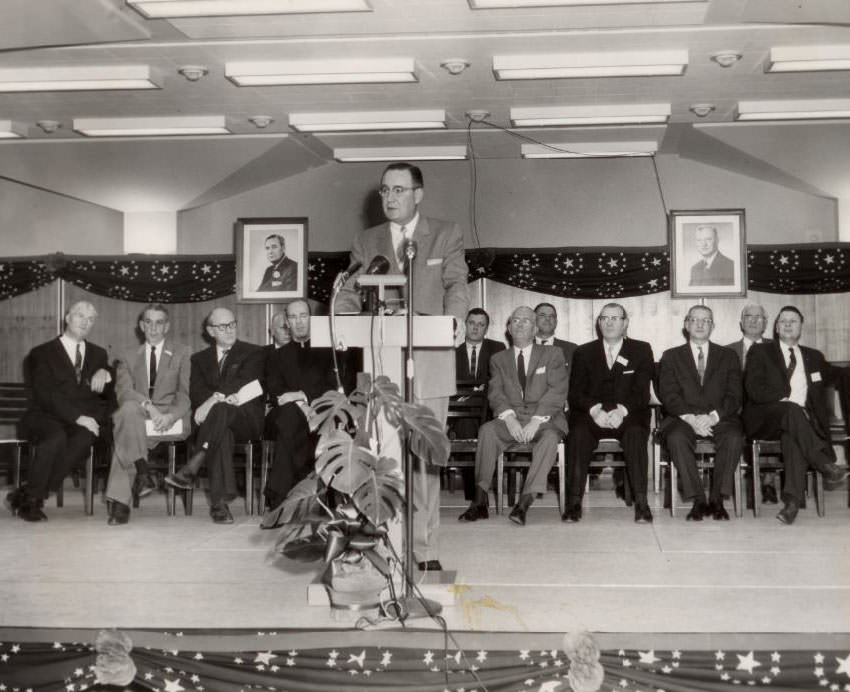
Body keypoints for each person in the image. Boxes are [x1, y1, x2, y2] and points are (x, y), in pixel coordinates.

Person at [334, 162, 469, 571]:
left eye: (398, 190)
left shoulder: (445, 233)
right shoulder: (366, 239)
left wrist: (457, 319)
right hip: (379, 361)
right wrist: (339, 316)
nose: (390, 198)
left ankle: (424, 550)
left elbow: (456, 284)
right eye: (384, 191)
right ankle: (378, 541)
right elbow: (352, 293)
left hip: (429, 359)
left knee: (424, 456)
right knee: (379, 454)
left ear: (418, 194)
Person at [458, 305, 568, 526]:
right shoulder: (498, 359)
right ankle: (479, 501)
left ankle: (524, 502)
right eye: (514, 321)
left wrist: (536, 421)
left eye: (525, 320)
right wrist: (508, 418)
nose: (519, 324)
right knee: (487, 431)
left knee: (549, 440)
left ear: (536, 327)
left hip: (545, 420)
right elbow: (496, 392)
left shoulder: (552, 354)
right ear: (508, 328)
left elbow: (557, 391)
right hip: (512, 419)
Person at [743, 306, 850, 525]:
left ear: (801, 327)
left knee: (792, 437)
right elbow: (753, 389)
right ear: (776, 327)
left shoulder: (814, 357)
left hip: (799, 424)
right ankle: (824, 463)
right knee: (792, 410)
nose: (788, 325)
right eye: (783, 321)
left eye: (793, 321)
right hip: (765, 418)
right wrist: (783, 398)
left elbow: (839, 375)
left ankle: (791, 504)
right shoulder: (760, 352)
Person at [10, 301, 113, 522]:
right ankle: (33, 501)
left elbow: (106, 393)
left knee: (84, 438)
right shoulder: (41, 353)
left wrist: (106, 373)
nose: (85, 322)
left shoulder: (99, 354)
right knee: (55, 437)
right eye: (80, 316)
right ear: (67, 318)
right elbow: (45, 394)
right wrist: (79, 417)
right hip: (43, 415)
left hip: (80, 420)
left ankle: (30, 494)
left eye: (90, 319)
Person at [164, 308, 265, 524]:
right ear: (210, 331)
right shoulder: (198, 359)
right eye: (222, 326)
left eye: (232, 324)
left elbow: (241, 383)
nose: (229, 330)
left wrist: (211, 401)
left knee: (219, 410)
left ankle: (195, 462)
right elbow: (196, 392)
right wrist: (212, 402)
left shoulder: (254, 352)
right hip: (217, 424)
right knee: (222, 432)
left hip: (245, 419)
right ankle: (220, 505)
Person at [564, 303, 655, 523]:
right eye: (604, 318)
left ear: (625, 323)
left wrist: (622, 411)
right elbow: (575, 393)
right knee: (578, 433)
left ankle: (641, 502)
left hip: (629, 413)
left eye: (615, 318)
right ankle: (574, 502)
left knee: (635, 433)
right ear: (598, 323)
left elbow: (642, 392)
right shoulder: (583, 352)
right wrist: (595, 410)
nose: (610, 322)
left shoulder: (641, 349)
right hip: (591, 413)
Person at [263, 299, 355, 511]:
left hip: (323, 411)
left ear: (311, 317)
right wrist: (302, 405)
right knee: (288, 416)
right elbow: (276, 390)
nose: (299, 322)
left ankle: (280, 497)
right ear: (287, 321)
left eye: (303, 315)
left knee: (294, 422)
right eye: (293, 317)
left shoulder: (330, 351)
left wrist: (301, 395)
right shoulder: (277, 356)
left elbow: (337, 385)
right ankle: (304, 495)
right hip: (286, 414)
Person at [104, 304, 192, 525]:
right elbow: (124, 392)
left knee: (124, 433)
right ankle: (141, 473)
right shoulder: (126, 355)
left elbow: (185, 394)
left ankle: (123, 500)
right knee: (128, 411)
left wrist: (169, 416)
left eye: (159, 322)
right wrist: (149, 407)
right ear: (142, 326)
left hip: (171, 420)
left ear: (167, 326)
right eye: (149, 322)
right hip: (140, 415)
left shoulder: (183, 352)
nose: (153, 328)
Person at [657, 305, 744, 520]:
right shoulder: (670, 356)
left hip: (719, 417)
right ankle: (697, 499)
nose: (699, 324)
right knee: (676, 437)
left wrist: (713, 417)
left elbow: (735, 395)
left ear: (712, 326)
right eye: (694, 320)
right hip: (683, 418)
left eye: (705, 321)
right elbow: (669, 395)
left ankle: (717, 499)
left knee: (734, 436)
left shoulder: (728, 356)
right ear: (686, 324)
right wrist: (691, 419)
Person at [725, 303, 777, 504]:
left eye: (759, 317)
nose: (754, 320)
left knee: (773, 422)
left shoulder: (776, 349)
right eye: (749, 316)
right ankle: (728, 481)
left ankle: (768, 483)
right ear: (741, 322)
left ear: (765, 323)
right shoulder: (727, 352)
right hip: (735, 411)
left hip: (767, 410)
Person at [533, 302, 577, 384]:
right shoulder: (523, 347)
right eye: (542, 315)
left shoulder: (572, 349)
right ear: (534, 320)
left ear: (556, 322)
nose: (547, 319)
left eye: (551, 316)